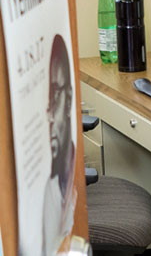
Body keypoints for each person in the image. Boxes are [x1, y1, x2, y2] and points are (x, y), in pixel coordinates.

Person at [43, 34, 76, 255]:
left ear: (70, 98)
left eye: (56, 94)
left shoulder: (73, 174)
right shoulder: (48, 190)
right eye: (49, 99)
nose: (49, 114)